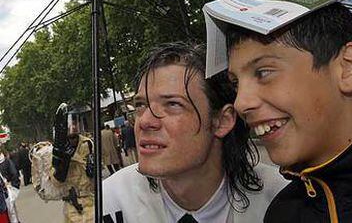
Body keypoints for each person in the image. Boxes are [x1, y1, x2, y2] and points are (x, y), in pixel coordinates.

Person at [224, 2, 352, 223]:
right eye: (236, 84)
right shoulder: (281, 214)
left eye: (263, 72)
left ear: (348, 67)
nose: (240, 102)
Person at [103, 42, 287, 223]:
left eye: (173, 104)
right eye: (141, 105)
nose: (144, 121)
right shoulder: (110, 201)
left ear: (223, 121)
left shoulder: (286, 202)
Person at [51, 104, 94, 223]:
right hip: (73, 206)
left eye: (75, 122)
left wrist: (92, 168)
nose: (73, 126)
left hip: (92, 200)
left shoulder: (88, 144)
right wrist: (63, 165)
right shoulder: (58, 149)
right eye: (70, 122)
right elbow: (55, 182)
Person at [0, 149, 19, 223]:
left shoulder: (6, 161)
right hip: (4, 194)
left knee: (12, 215)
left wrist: (13, 189)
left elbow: (14, 175)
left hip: (7, 192)